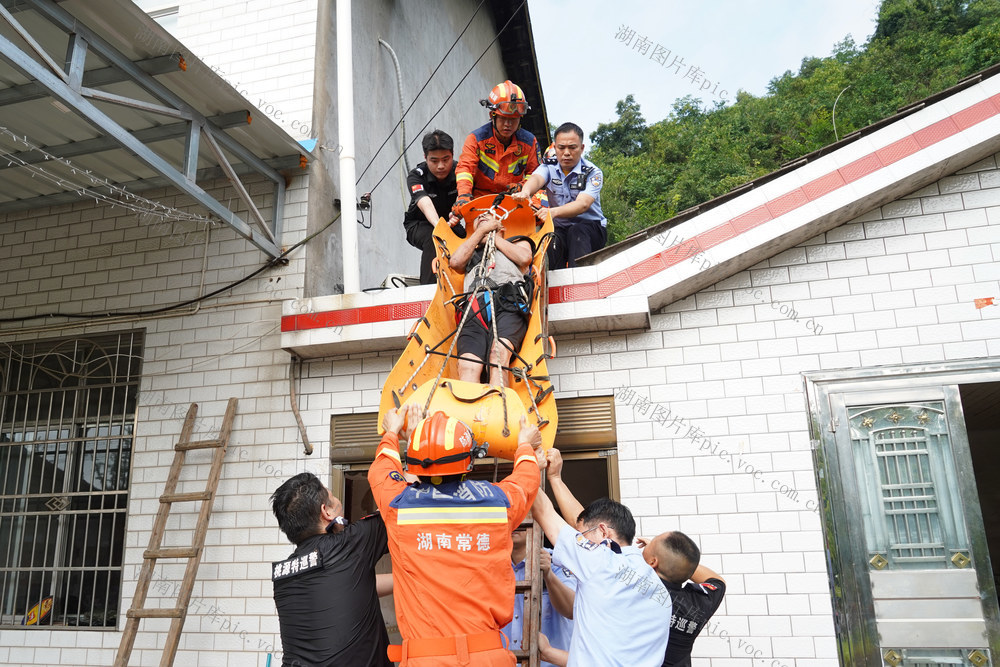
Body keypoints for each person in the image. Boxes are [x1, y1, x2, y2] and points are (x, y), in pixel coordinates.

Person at [369, 404, 543, 666]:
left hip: (425, 660)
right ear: (469, 461)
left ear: (415, 465)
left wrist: (392, 431)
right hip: (487, 657)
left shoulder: (398, 505)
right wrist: (525, 446)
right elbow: (525, 481)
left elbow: (381, 472)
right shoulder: (498, 503)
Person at [543, 450, 723, 667]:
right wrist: (673, 559)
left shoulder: (626, 581)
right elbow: (716, 580)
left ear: (653, 562)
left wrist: (555, 479)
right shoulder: (696, 604)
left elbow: (584, 530)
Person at [531, 451, 671, 667]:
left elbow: (544, 512)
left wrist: (526, 464)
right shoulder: (656, 585)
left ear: (604, 532)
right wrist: (555, 479)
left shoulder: (601, 564)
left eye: (582, 537)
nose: (580, 541)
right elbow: (586, 527)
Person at [269, 472, 393, 667]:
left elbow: (354, 586)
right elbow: (397, 505)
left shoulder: (284, 575)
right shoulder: (348, 545)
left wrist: (403, 580)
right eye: (333, 496)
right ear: (326, 511)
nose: (338, 500)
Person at [449, 213, 534, 386]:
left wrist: (493, 237)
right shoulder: (469, 252)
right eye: (478, 219)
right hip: (474, 306)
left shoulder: (518, 242)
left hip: (508, 300)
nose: (481, 216)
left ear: (501, 227)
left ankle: (499, 406)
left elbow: (525, 258)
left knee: (498, 354)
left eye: (487, 216)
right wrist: (479, 234)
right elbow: (455, 263)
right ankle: (469, 409)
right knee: (467, 366)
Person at [513, 122, 607, 269]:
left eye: (572, 147)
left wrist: (552, 212)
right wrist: (525, 192)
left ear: (582, 148)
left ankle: (579, 285)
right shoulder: (548, 166)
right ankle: (552, 288)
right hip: (560, 230)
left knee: (577, 232)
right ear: (555, 147)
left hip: (590, 229)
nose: (566, 153)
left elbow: (583, 204)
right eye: (561, 147)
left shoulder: (593, 172)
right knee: (551, 240)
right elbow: (537, 179)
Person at [638, 533, 726, 667]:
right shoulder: (700, 603)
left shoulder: (635, 595)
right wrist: (680, 562)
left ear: (653, 562)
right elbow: (717, 581)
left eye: (651, 544)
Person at [454, 80, 541, 213]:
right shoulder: (476, 139)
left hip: (514, 200)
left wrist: (522, 186)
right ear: (492, 115)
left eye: (513, 119)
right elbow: (465, 169)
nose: (508, 124)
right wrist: (464, 195)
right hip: (481, 200)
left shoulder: (529, 143)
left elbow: (536, 174)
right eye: (503, 118)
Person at [501, 529, 576, 667]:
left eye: (524, 515)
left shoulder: (557, 561)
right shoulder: (491, 565)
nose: (517, 522)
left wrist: (548, 575)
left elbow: (572, 608)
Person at [403, 130, 464, 285]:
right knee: (434, 237)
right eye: (434, 161)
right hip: (419, 225)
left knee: (471, 241)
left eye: (446, 159)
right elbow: (425, 203)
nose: (441, 166)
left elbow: (465, 196)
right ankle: (428, 291)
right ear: (425, 157)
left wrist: (458, 214)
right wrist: (440, 227)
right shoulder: (416, 175)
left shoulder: (462, 171)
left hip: (451, 223)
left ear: (452, 154)